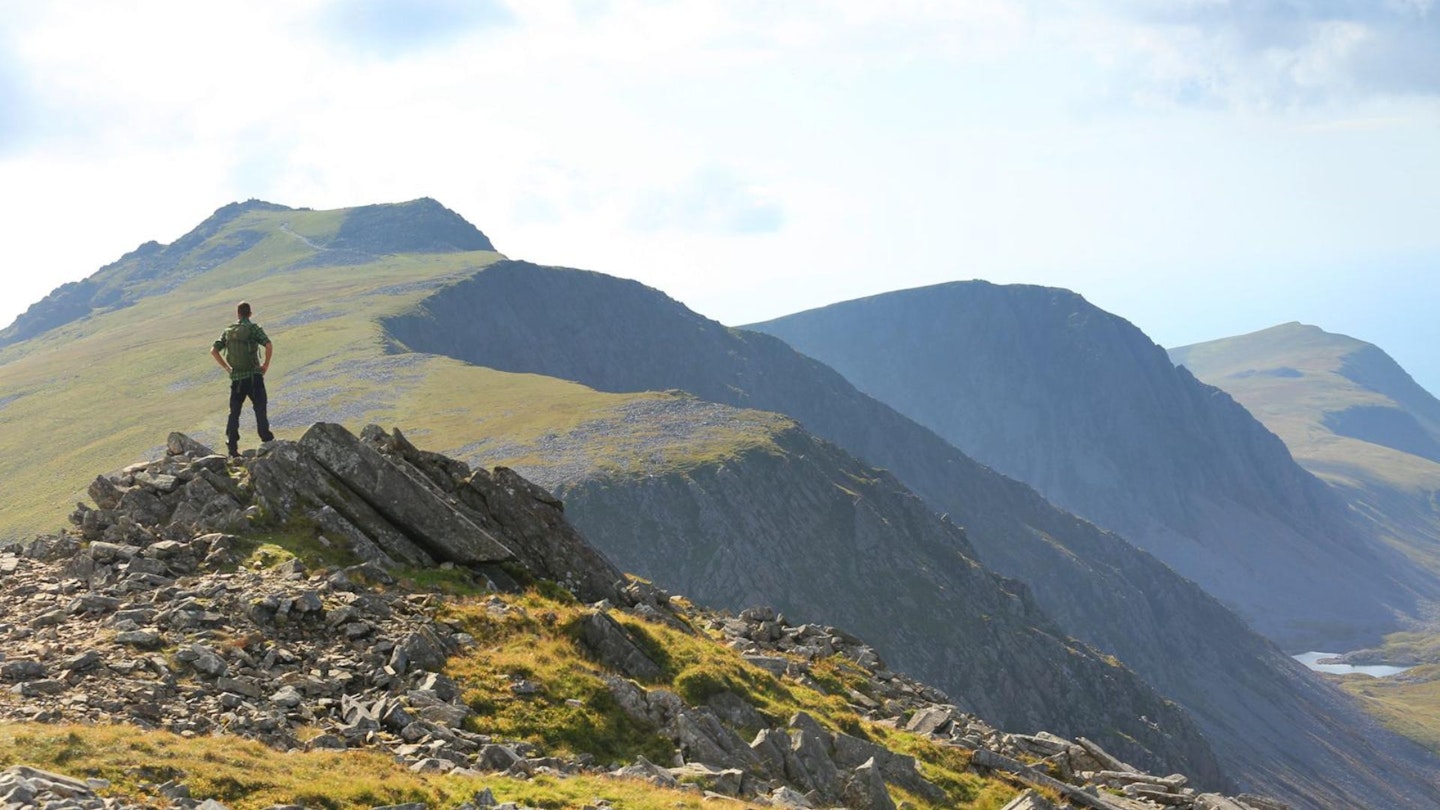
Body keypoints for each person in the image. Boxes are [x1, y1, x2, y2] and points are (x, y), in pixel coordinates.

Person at [210, 300, 275, 457]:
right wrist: (265, 364)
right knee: (260, 408)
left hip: (237, 378)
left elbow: (213, 350)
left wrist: (227, 368)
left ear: (237, 314)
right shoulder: (253, 329)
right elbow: (268, 344)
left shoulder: (229, 331)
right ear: (250, 314)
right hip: (254, 376)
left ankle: (232, 448)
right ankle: (267, 441)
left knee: (234, 413)